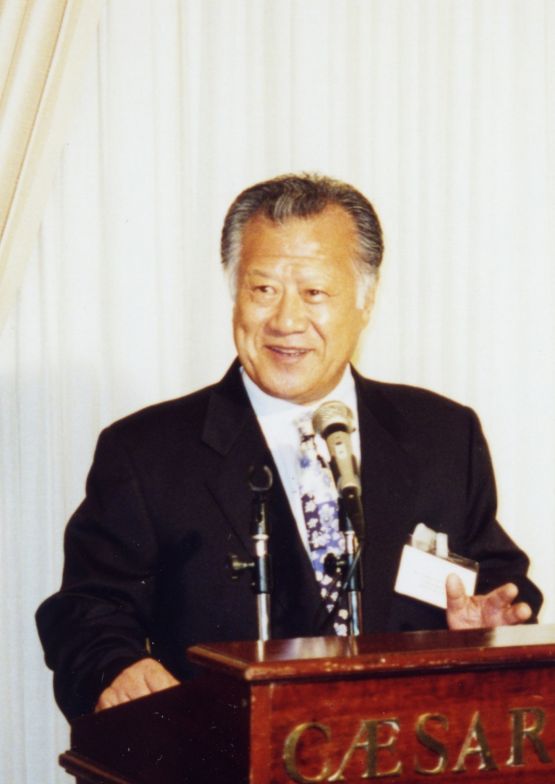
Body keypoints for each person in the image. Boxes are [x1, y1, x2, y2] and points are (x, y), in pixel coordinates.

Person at [36, 173, 542, 721]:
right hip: (225, 747)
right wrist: (117, 666)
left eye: (314, 293)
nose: (286, 321)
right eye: (263, 290)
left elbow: (495, 582)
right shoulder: (146, 452)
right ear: (235, 294)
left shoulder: (442, 434)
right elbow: (88, 613)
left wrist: (489, 624)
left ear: (366, 301)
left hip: (408, 743)